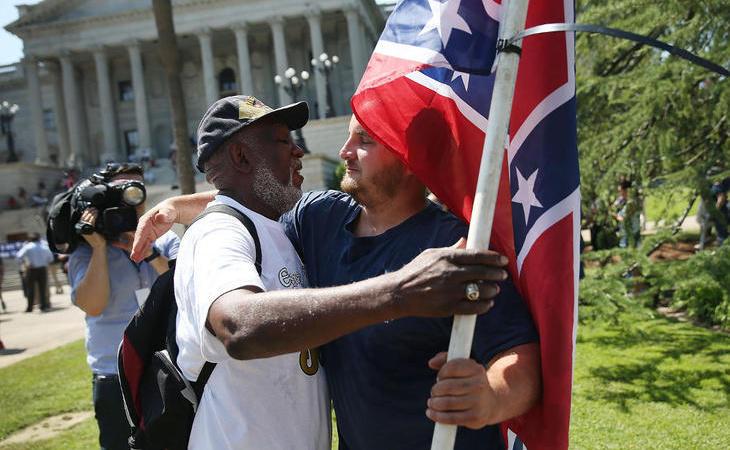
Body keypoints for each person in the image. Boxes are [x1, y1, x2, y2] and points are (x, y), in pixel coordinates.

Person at [133, 106, 541, 449]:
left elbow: (520, 359)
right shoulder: (321, 219)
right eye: (349, 138)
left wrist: (489, 396)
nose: (345, 152)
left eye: (365, 141)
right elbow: (252, 198)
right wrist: (180, 206)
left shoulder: (454, 246)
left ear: (412, 157)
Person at [68, 163, 179, 450]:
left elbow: (182, 285)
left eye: (136, 189)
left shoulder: (166, 239)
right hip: (112, 375)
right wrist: (99, 249)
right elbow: (92, 305)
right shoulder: (84, 249)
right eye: (121, 188)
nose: (131, 196)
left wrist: (149, 250)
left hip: (165, 367)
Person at [16, 232, 54, 312]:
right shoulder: (44, 247)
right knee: (42, 288)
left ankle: (30, 307)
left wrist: (25, 263)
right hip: (43, 269)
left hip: (31, 269)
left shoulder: (27, 247)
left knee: (30, 289)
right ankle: (43, 306)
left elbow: (19, 256)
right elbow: (51, 258)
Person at [613, 180, 641, 248]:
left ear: (626, 190)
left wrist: (615, 215)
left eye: (620, 190)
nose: (619, 193)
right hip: (624, 234)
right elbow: (613, 207)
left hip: (632, 234)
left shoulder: (632, 202)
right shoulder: (621, 201)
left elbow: (624, 218)